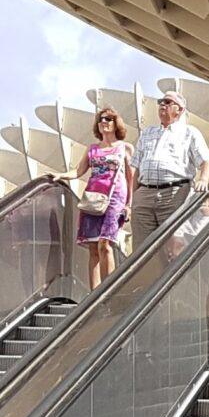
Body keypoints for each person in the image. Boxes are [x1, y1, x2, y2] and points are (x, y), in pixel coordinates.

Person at [129, 90, 209, 248]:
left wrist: (203, 179)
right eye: (160, 101)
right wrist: (133, 198)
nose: (162, 104)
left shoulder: (190, 132)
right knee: (141, 249)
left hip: (175, 194)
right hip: (144, 194)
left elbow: (206, 160)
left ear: (180, 110)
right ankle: (147, 274)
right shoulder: (147, 133)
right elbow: (136, 167)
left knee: (174, 245)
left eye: (167, 102)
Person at [73, 107, 133, 289]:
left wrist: (129, 204)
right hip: (93, 198)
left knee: (105, 243)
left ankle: (108, 290)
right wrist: (59, 176)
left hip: (115, 197)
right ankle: (94, 293)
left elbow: (131, 178)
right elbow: (78, 171)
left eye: (108, 119)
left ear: (116, 123)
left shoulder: (125, 148)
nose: (104, 122)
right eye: (101, 119)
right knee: (93, 247)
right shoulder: (92, 149)